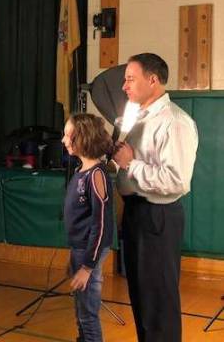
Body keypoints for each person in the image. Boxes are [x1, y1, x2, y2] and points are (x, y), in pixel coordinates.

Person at [113, 53, 198, 342]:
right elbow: (127, 163)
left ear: (153, 80)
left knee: (158, 303)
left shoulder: (175, 122)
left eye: (130, 79)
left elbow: (176, 180)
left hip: (158, 217)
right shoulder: (136, 116)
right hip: (136, 213)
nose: (124, 86)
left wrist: (130, 163)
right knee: (142, 300)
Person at [62, 113, 114, 342]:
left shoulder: (97, 175)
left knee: (88, 316)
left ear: (82, 138)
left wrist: (87, 267)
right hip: (80, 250)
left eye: (67, 135)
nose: (64, 140)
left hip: (89, 253)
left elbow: (101, 224)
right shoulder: (80, 171)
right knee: (81, 313)